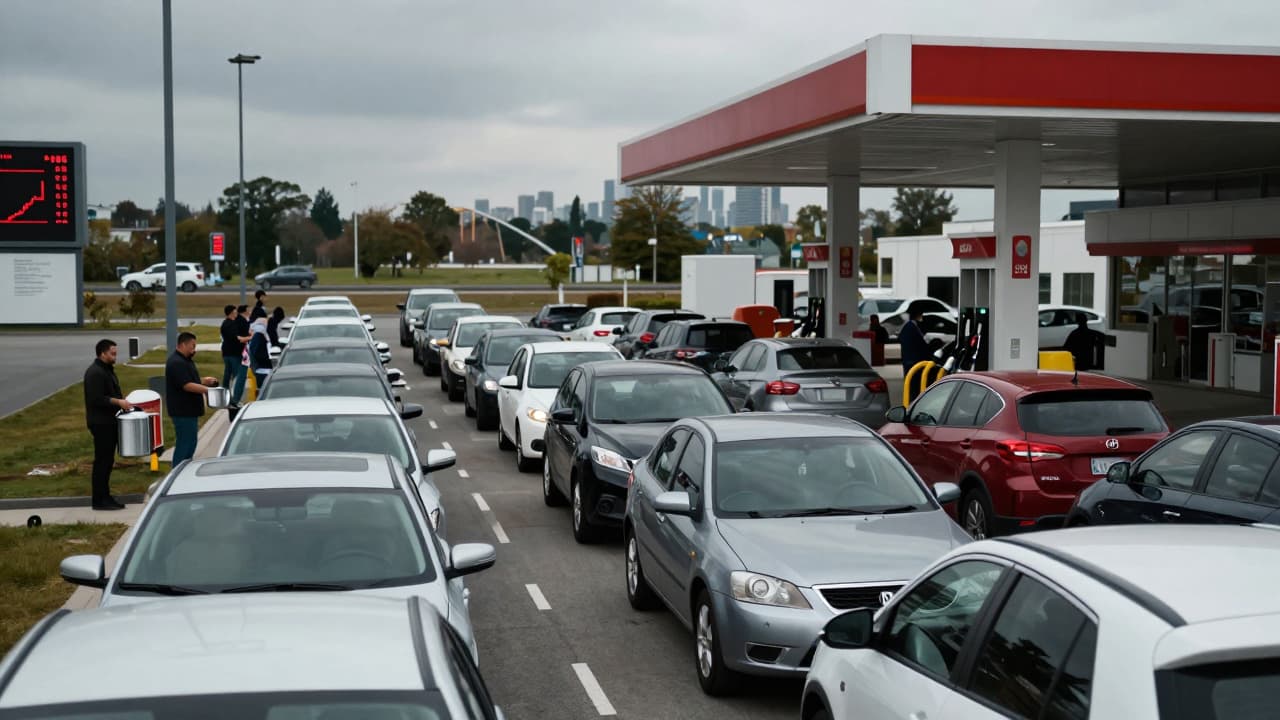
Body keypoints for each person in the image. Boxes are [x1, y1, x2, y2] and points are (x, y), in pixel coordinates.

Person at [83, 339, 134, 511]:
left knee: (107, 460)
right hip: (101, 423)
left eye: (115, 353)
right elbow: (96, 399)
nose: (115, 356)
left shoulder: (106, 370)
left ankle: (105, 496)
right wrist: (117, 401)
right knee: (102, 462)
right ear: (102, 353)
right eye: (112, 353)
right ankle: (99, 499)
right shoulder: (95, 372)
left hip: (109, 421)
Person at [166, 332, 219, 465]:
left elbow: (188, 380)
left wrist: (204, 381)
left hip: (190, 411)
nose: (194, 349)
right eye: (192, 346)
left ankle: (184, 470)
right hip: (183, 411)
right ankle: (177, 472)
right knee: (185, 445)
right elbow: (186, 385)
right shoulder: (176, 362)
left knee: (191, 444)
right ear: (183, 344)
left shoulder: (185, 361)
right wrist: (208, 391)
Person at [899, 301, 931, 374]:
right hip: (913, 362)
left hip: (910, 361)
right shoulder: (911, 327)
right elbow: (919, 344)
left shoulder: (910, 326)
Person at [249, 314, 272, 389]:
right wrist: (267, 359)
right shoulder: (259, 336)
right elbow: (256, 353)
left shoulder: (259, 336)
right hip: (262, 369)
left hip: (261, 368)